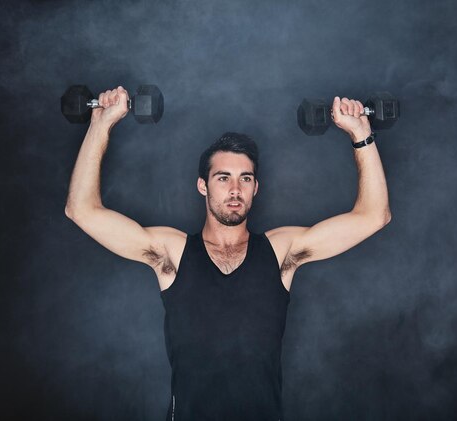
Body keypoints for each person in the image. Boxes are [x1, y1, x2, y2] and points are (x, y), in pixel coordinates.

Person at [65, 86, 391, 421]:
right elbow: (82, 210)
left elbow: (374, 216)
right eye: (223, 178)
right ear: (203, 186)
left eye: (245, 179)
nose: (235, 189)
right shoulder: (172, 255)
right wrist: (99, 125)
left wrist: (361, 134)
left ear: (256, 188)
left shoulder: (281, 253)